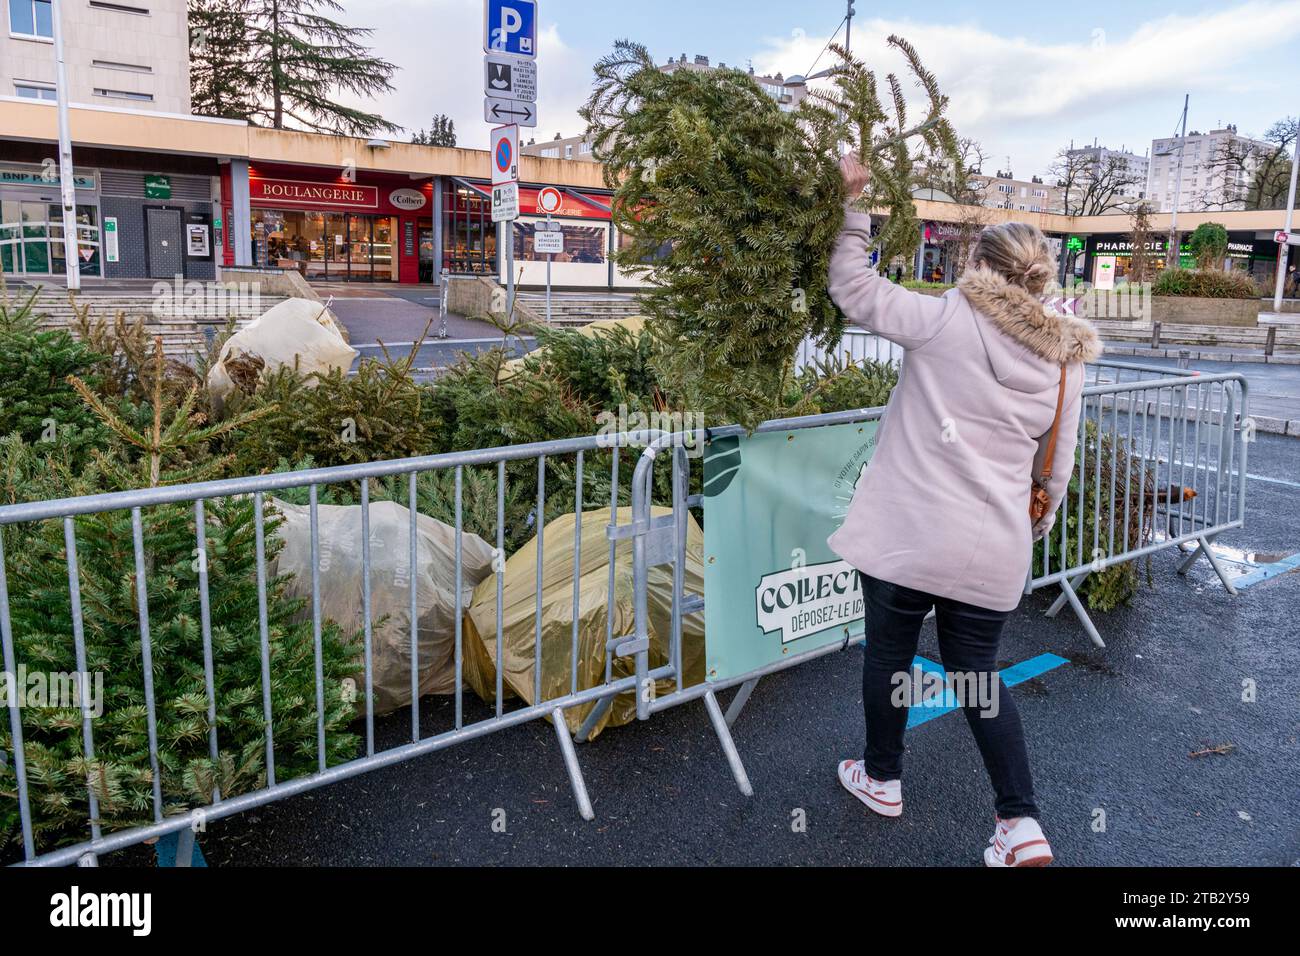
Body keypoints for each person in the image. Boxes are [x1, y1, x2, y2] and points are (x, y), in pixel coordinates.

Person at [827, 152, 1100, 867]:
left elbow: (853, 290)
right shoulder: (1065, 363)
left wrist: (853, 201)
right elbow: (1057, 470)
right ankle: (1020, 823)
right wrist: (1026, 526)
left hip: (909, 537)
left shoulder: (944, 320)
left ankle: (881, 777)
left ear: (977, 267)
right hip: (992, 545)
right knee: (977, 674)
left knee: (888, 653)